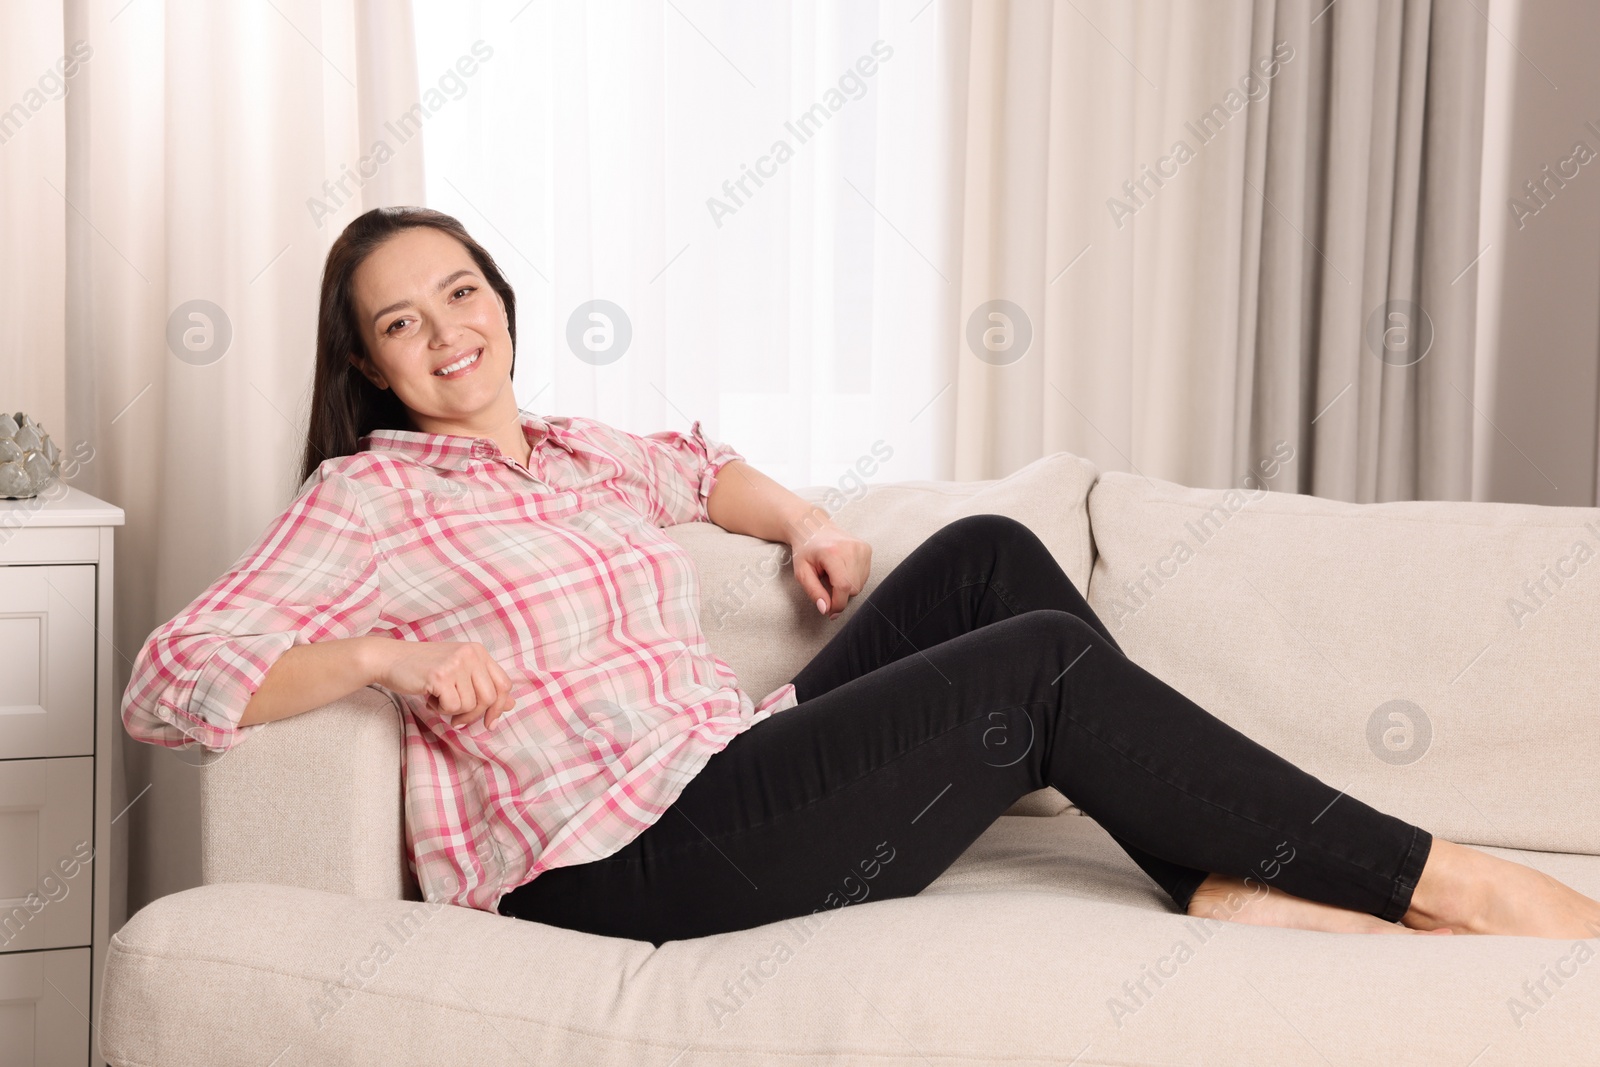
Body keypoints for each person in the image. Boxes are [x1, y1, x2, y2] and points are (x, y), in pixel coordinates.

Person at [123, 206, 1600, 950]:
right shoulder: (367, 495)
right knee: (1036, 664)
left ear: (502, 304)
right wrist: (381, 663)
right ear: (367, 366)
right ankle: (1453, 884)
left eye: (460, 292)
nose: (445, 331)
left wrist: (807, 520)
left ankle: (1213, 881)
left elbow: (700, 470)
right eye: (399, 322)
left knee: (986, 561)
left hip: (720, 770)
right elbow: (169, 679)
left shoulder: (576, 451)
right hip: (612, 868)